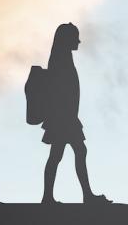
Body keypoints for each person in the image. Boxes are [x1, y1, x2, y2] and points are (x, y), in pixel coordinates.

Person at [40, 23, 111, 204]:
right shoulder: (61, 58)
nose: (78, 41)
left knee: (61, 155)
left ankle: (52, 196)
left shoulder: (62, 56)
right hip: (64, 117)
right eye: (75, 37)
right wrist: (67, 115)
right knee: (72, 152)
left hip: (66, 117)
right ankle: (83, 196)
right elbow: (61, 90)